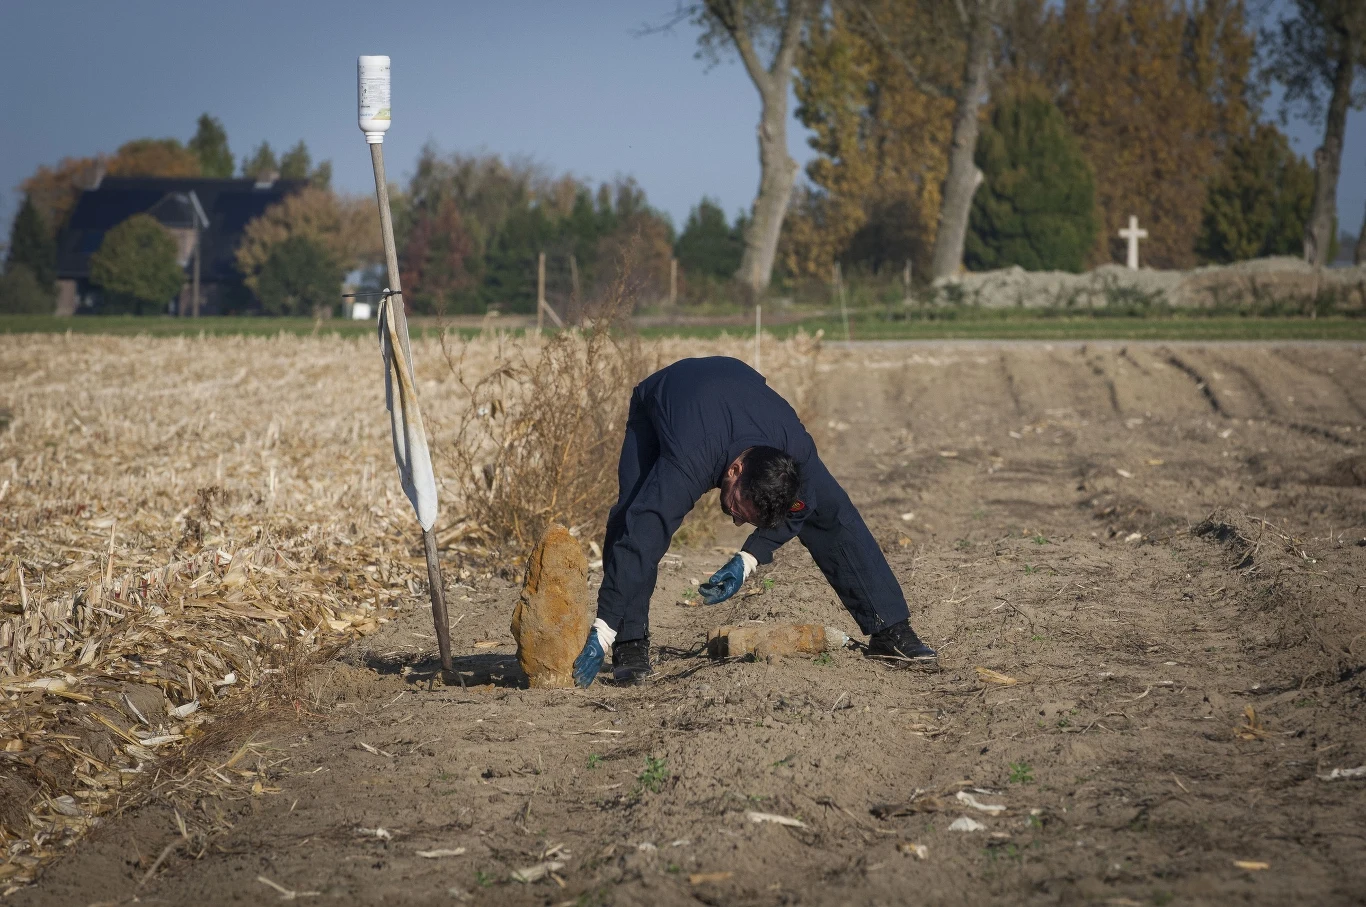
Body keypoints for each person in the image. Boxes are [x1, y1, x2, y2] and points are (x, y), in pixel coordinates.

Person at [573, 356, 936, 688]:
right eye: (736, 508)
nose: (734, 523)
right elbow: (643, 534)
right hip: (665, 400)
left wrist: (748, 559)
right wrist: (604, 628)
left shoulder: (797, 454)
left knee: (832, 510)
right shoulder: (689, 460)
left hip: (742, 395)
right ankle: (629, 641)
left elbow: (802, 505)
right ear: (734, 470)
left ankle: (891, 630)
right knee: (634, 516)